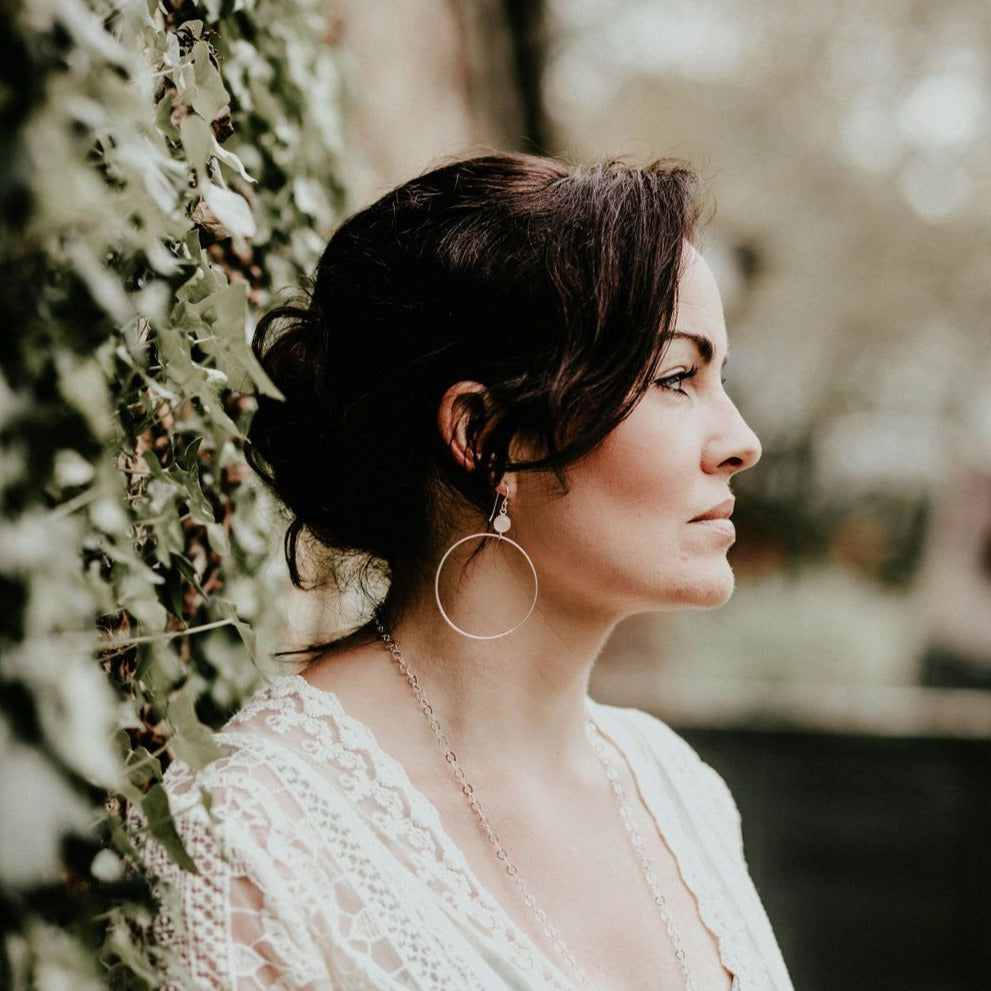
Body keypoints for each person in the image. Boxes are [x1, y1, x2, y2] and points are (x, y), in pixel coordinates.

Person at [138, 153, 794, 990]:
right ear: (486, 437)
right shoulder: (251, 840)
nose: (741, 442)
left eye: (718, 377)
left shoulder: (678, 792)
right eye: (676, 378)